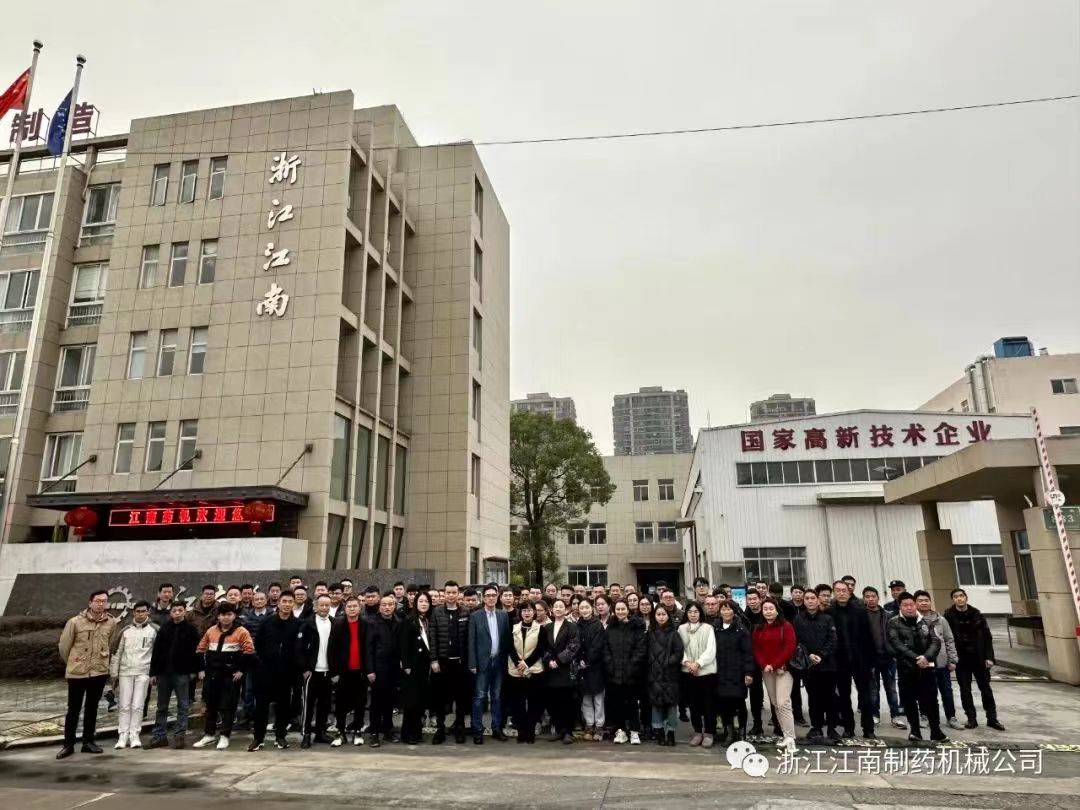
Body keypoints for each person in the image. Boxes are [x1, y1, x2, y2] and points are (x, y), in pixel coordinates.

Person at [56, 590, 119, 760]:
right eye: (98, 601)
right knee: (73, 709)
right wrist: (73, 663)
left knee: (92, 708)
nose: (101, 604)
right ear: (90, 602)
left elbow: (110, 644)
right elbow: (64, 647)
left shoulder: (111, 623)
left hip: (98, 672)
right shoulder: (75, 622)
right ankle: (68, 744)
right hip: (77, 673)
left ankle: (88, 742)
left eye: (104, 601)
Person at [192, 603, 255, 750]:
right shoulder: (211, 631)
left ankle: (225, 735)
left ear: (234, 616)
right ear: (218, 616)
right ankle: (209, 735)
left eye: (229, 614)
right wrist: (201, 669)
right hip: (212, 675)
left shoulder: (241, 631)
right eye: (222, 615)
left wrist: (241, 670)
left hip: (230, 676)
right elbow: (200, 650)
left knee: (228, 706)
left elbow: (249, 652)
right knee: (211, 705)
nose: (225, 617)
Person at [887, 592, 948, 742]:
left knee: (931, 700)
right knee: (909, 701)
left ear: (915, 605)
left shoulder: (926, 621)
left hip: (927, 667)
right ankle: (915, 731)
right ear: (900, 607)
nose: (909, 608)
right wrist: (916, 658)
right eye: (905, 605)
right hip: (906, 668)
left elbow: (936, 642)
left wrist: (926, 657)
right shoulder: (894, 622)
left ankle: (936, 731)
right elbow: (896, 644)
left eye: (911, 605)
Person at [250, 590, 303, 751]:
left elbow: (299, 648)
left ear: (293, 604)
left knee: (283, 707)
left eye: (290, 602)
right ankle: (258, 738)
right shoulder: (267, 622)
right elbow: (258, 644)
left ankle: (280, 736)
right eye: (284, 601)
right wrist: (261, 663)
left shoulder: (298, 624)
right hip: (265, 671)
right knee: (261, 707)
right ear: (278, 603)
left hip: (286, 673)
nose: (287, 604)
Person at [944, 588, 1004, 731]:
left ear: (966, 597)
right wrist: (951, 659)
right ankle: (971, 718)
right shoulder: (948, 616)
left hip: (979, 658)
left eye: (961, 596)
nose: (959, 599)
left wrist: (989, 657)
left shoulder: (977, 614)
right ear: (953, 600)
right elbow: (947, 639)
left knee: (986, 689)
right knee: (965, 690)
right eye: (956, 597)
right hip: (961, 659)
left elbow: (987, 637)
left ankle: (992, 719)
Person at [148, 601, 200, 749]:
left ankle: (179, 736)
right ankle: (159, 736)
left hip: (182, 673)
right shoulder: (164, 629)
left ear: (185, 611)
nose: (177, 613)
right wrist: (153, 672)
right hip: (163, 673)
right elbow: (156, 652)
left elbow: (196, 652)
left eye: (180, 610)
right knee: (161, 706)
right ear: (171, 613)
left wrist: (194, 671)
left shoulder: (191, 630)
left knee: (183, 705)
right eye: (174, 610)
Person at [827, 580, 876, 740]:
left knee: (865, 696)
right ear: (834, 593)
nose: (841, 593)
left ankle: (868, 728)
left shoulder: (860, 611)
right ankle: (848, 728)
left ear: (849, 592)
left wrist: (871, 661)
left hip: (860, 660)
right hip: (840, 661)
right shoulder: (829, 612)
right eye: (838, 590)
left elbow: (869, 636)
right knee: (844, 696)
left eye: (844, 590)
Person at [794, 588, 840, 744]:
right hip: (809, 666)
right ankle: (816, 727)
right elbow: (797, 641)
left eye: (812, 598)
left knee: (830, 697)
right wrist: (809, 655)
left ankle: (832, 728)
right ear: (804, 601)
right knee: (814, 698)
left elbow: (833, 640)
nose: (810, 601)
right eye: (807, 598)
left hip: (828, 665)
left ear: (818, 600)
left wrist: (821, 654)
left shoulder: (827, 618)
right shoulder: (798, 619)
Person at [430, 579, 473, 744]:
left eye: (454, 592)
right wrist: (434, 659)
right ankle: (440, 729)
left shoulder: (465, 612)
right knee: (440, 698)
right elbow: (433, 637)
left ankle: (459, 727)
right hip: (442, 662)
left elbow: (469, 638)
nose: (451, 595)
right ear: (444, 593)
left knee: (460, 697)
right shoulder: (437, 612)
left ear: (458, 594)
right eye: (448, 592)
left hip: (460, 663)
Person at [752, 597, 797, 753]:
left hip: (784, 669)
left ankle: (791, 738)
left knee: (783, 702)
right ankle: (785, 735)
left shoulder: (786, 626)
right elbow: (756, 648)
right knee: (775, 703)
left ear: (777, 611)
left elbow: (790, 647)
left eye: (771, 608)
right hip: (767, 671)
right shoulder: (759, 628)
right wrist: (764, 665)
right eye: (765, 609)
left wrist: (775, 664)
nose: (768, 611)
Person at [110, 600, 157, 749]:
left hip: (143, 672)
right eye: (137, 611)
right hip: (125, 672)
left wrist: (154, 673)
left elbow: (157, 654)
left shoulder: (154, 630)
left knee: (138, 705)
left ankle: (134, 734)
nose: (140, 614)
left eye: (143, 611)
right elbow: (117, 652)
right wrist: (114, 673)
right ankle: (122, 735)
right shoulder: (125, 631)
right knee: (124, 705)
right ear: (133, 612)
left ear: (148, 612)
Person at [467, 584, 511, 744]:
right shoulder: (475, 616)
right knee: (479, 696)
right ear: (483, 598)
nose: (491, 598)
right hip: (482, 662)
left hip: (498, 661)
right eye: (488, 595)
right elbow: (471, 641)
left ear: (497, 597)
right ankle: (477, 730)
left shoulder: (503, 615)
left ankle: (496, 728)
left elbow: (506, 640)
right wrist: (472, 663)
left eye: (494, 595)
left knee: (497, 697)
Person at [915, 590, 962, 730]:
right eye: (920, 600)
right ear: (915, 603)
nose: (924, 603)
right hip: (924, 663)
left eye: (926, 600)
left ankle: (951, 717)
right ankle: (925, 716)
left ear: (930, 602)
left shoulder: (941, 620)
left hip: (941, 662)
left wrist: (952, 659)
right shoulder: (914, 621)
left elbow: (949, 640)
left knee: (946, 691)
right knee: (925, 691)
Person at [863, 586, 905, 729]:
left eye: (873, 596)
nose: (871, 599)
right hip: (871, 658)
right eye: (867, 597)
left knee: (891, 688)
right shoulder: (861, 616)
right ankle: (875, 715)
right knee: (873, 689)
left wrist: (894, 652)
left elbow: (895, 635)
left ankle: (895, 716)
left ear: (878, 598)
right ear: (864, 599)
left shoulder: (888, 615)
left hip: (888, 657)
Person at [604, 599, 646, 745]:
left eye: (623, 609)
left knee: (632, 703)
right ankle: (620, 731)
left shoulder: (636, 627)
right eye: (618, 609)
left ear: (628, 610)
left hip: (631, 674)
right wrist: (610, 665)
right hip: (614, 674)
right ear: (614, 611)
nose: (620, 612)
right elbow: (605, 649)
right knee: (617, 704)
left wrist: (632, 666)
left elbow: (640, 649)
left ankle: (634, 731)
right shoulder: (610, 628)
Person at [714, 601, 754, 745]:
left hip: (737, 673)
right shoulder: (715, 629)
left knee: (739, 703)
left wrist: (749, 672)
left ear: (734, 612)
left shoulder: (741, 630)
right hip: (721, 673)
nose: (726, 612)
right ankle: (729, 732)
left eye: (728, 609)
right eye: (723, 609)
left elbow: (748, 653)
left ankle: (742, 732)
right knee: (724, 705)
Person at [541, 598, 580, 744]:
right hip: (550, 670)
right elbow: (543, 647)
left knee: (567, 701)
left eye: (561, 606)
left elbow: (574, 646)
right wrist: (548, 661)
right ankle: (559, 730)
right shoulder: (547, 627)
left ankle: (568, 731)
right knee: (553, 701)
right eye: (556, 606)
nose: (558, 609)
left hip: (565, 669)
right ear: (551, 609)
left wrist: (558, 660)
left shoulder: (572, 627)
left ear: (566, 609)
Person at [678, 601, 717, 748]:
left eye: (696, 612)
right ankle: (697, 731)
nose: (693, 614)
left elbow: (711, 650)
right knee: (693, 704)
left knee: (708, 704)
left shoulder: (708, 628)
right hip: (688, 671)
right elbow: (679, 649)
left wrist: (698, 663)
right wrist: (687, 663)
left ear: (700, 613)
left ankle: (709, 732)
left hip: (706, 672)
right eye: (690, 612)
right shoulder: (681, 629)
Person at [366, 594, 402, 747]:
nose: (387, 607)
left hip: (394, 669)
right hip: (378, 669)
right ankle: (374, 732)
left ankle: (388, 730)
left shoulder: (399, 622)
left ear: (394, 606)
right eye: (384, 605)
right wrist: (370, 670)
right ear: (379, 607)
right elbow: (368, 649)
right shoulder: (372, 623)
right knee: (376, 703)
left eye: (390, 604)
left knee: (390, 702)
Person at [506, 601, 545, 743]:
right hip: (516, 670)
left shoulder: (540, 629)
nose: (527, 613)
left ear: (534, 612)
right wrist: (518, 662)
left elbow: (540, 649)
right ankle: (522, 732)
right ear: (520, 613)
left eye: (529, 610)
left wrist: (526, 663)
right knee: (518, 703)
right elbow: (509, 647)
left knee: (534, 703)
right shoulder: (513, 627)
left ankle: (530, 732)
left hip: (534, 670)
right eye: (524, 610)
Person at [399, 591, 433, 745]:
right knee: (411, 702)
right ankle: (407, 733)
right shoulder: (409, 620)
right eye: (421, 601)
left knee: (420, 701)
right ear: (415, 603)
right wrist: (406, 665)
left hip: (425, 665)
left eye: (426, 601)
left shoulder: (430, 620)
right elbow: (403, 644)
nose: (424, 604)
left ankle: (417, 731)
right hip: (412, 666)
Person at [298, 595, 332, 748]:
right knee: (308, 705)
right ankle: (306, 734)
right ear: (315, 607)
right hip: (312, 672)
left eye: (327, 605)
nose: (324, 608)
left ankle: (320, 733)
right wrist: (305, 668)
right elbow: (299, 648)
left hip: (328, 672)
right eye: (321, 605)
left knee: (325, 705)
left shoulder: (334, 623)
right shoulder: (307, 624)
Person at [647, 604, 683, 746]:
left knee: (671, 706)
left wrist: (668, 661)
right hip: (654, 674)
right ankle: (659, 731)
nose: (661, 617)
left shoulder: (674, 633)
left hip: (670, 674)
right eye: (658, 614)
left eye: (663, 614)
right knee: (656, 705)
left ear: (668, 616)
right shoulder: (650, 633)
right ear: (654, 616)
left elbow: (678, 652)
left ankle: (671, 732)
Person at [575, 598, 606, 741]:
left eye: (587, 607)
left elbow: (598, 646)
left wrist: (587, 660)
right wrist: (580, 659)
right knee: (586, 697)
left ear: (592, 609)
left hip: (596, 666)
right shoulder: (577, 625)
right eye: (582, 608)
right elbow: (575, 644)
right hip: (581, 667)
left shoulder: (597, 625)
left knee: (598, 697)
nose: (584, 610)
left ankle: (599, 725)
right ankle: (589, 724)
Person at [742, 589, 766, 734]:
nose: (752, 602)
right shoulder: (744, 617)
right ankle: (757, 724)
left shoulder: (767, 613)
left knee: (774, 694)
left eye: (754, 599)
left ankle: (778, 724)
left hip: (769, 658)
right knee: (755, 694)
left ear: (760, 599)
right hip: (753, 659)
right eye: (749, 599)